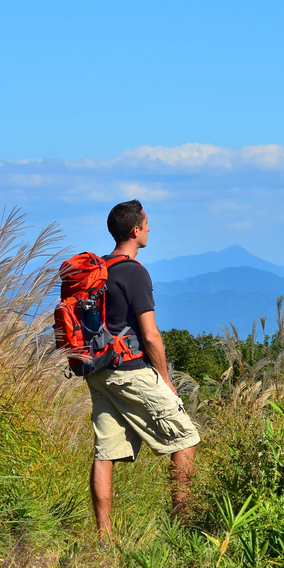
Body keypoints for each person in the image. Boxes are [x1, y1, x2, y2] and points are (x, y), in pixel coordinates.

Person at [86, 199, 200, 541]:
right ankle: (182, 529)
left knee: (105, 453)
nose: (150, 229)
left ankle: (104, 539)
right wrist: (166, 381)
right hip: (130, 370)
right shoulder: (134, 272)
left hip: (99, 372)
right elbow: (150, 334)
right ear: (135, 231)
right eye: (147, 224)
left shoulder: (100, 269)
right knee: (185, 440)